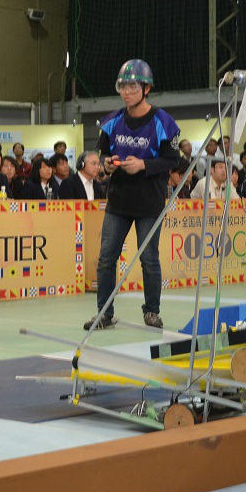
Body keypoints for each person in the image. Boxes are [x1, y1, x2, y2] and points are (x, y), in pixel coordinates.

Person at [86, 59, 179, 331]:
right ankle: (104, 313)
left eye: (132, 86)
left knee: (149, 259)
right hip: (118, 202)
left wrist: (144, 165)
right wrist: (106, 164)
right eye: (122, 86)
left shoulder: (164, 122)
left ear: (146, 88)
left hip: (149, 203)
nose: (126, 91)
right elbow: (102, 154)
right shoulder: (112, 121)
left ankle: (152, 311)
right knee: (106, 258)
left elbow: (173, 160)